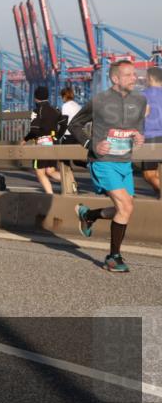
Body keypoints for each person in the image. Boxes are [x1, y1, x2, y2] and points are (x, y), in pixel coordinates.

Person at [70, 60, 147, 273]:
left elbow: (137, 127)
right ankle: (113, 257)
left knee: (124, 208)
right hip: (103, 162)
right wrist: (91, 144)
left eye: (135, 74)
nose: (135, 78)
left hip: (125, 163)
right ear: (115, 78)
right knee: (125, 207)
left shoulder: (139, 101)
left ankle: (89, 215)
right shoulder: (99, 101)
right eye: (129, 75)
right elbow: (74, 124)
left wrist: (139, 136)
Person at [21, 86, 66, 195]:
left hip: (42, 143)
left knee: (39, 171)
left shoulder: (37, 111)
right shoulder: (55, 110)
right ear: (47, 96)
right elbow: (64, 123)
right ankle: (71, 182)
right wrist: (57, 136)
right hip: (53, 142)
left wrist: (24, 139)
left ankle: (50, 195)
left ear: (35, 98)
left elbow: (34, 130)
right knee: (50, 171)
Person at [142, 67, 162, 199]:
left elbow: (144, 114)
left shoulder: (145, 94)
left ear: (150, 78)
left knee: (149, 174)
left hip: (151, 138)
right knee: (159, 172)